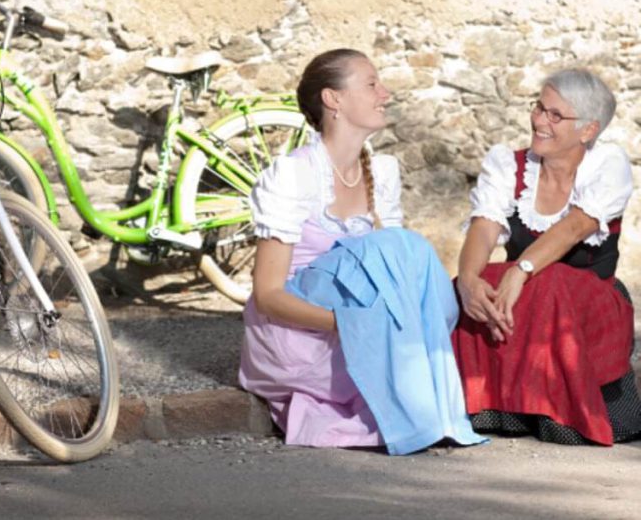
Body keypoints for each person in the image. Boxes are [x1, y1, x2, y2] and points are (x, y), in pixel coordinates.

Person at [238, 48, 485, 454]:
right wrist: (348, 324)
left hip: (365, 325)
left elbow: (397, 270)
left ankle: (425, 401)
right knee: (394, 245)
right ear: (333, 99)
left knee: (406, 248)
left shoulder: (381, 172)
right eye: (371, 84)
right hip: (304, 334)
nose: (384, 93)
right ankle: (414, 397)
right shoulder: (293, 175)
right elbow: (268, 295)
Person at [452, 68, 641, 445]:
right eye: (539, 108)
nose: (539, 121)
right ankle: (490, 401)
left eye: (555, 115)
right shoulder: (508, 165)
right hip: (525, 300)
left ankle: (561, 408)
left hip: (589, 301)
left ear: (588, 130)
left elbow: (574, 228)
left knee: (549, 280)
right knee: (470, 285)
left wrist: (521, 270)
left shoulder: (607, 165)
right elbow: (484, 227)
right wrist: (469, 280)